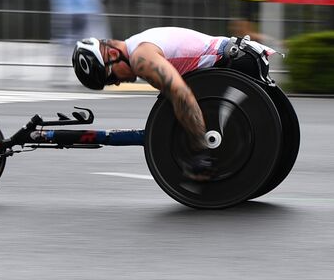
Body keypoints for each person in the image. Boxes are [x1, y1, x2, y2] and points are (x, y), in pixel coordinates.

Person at [72, 27, 275, 179]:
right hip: (243, 55)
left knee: (181, 104)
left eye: (109, 78)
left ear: (113, 55)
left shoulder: (141, 58)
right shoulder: (138, 44)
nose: (116, 83)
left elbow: (181, 94)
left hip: (238, 62)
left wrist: (199, 150)